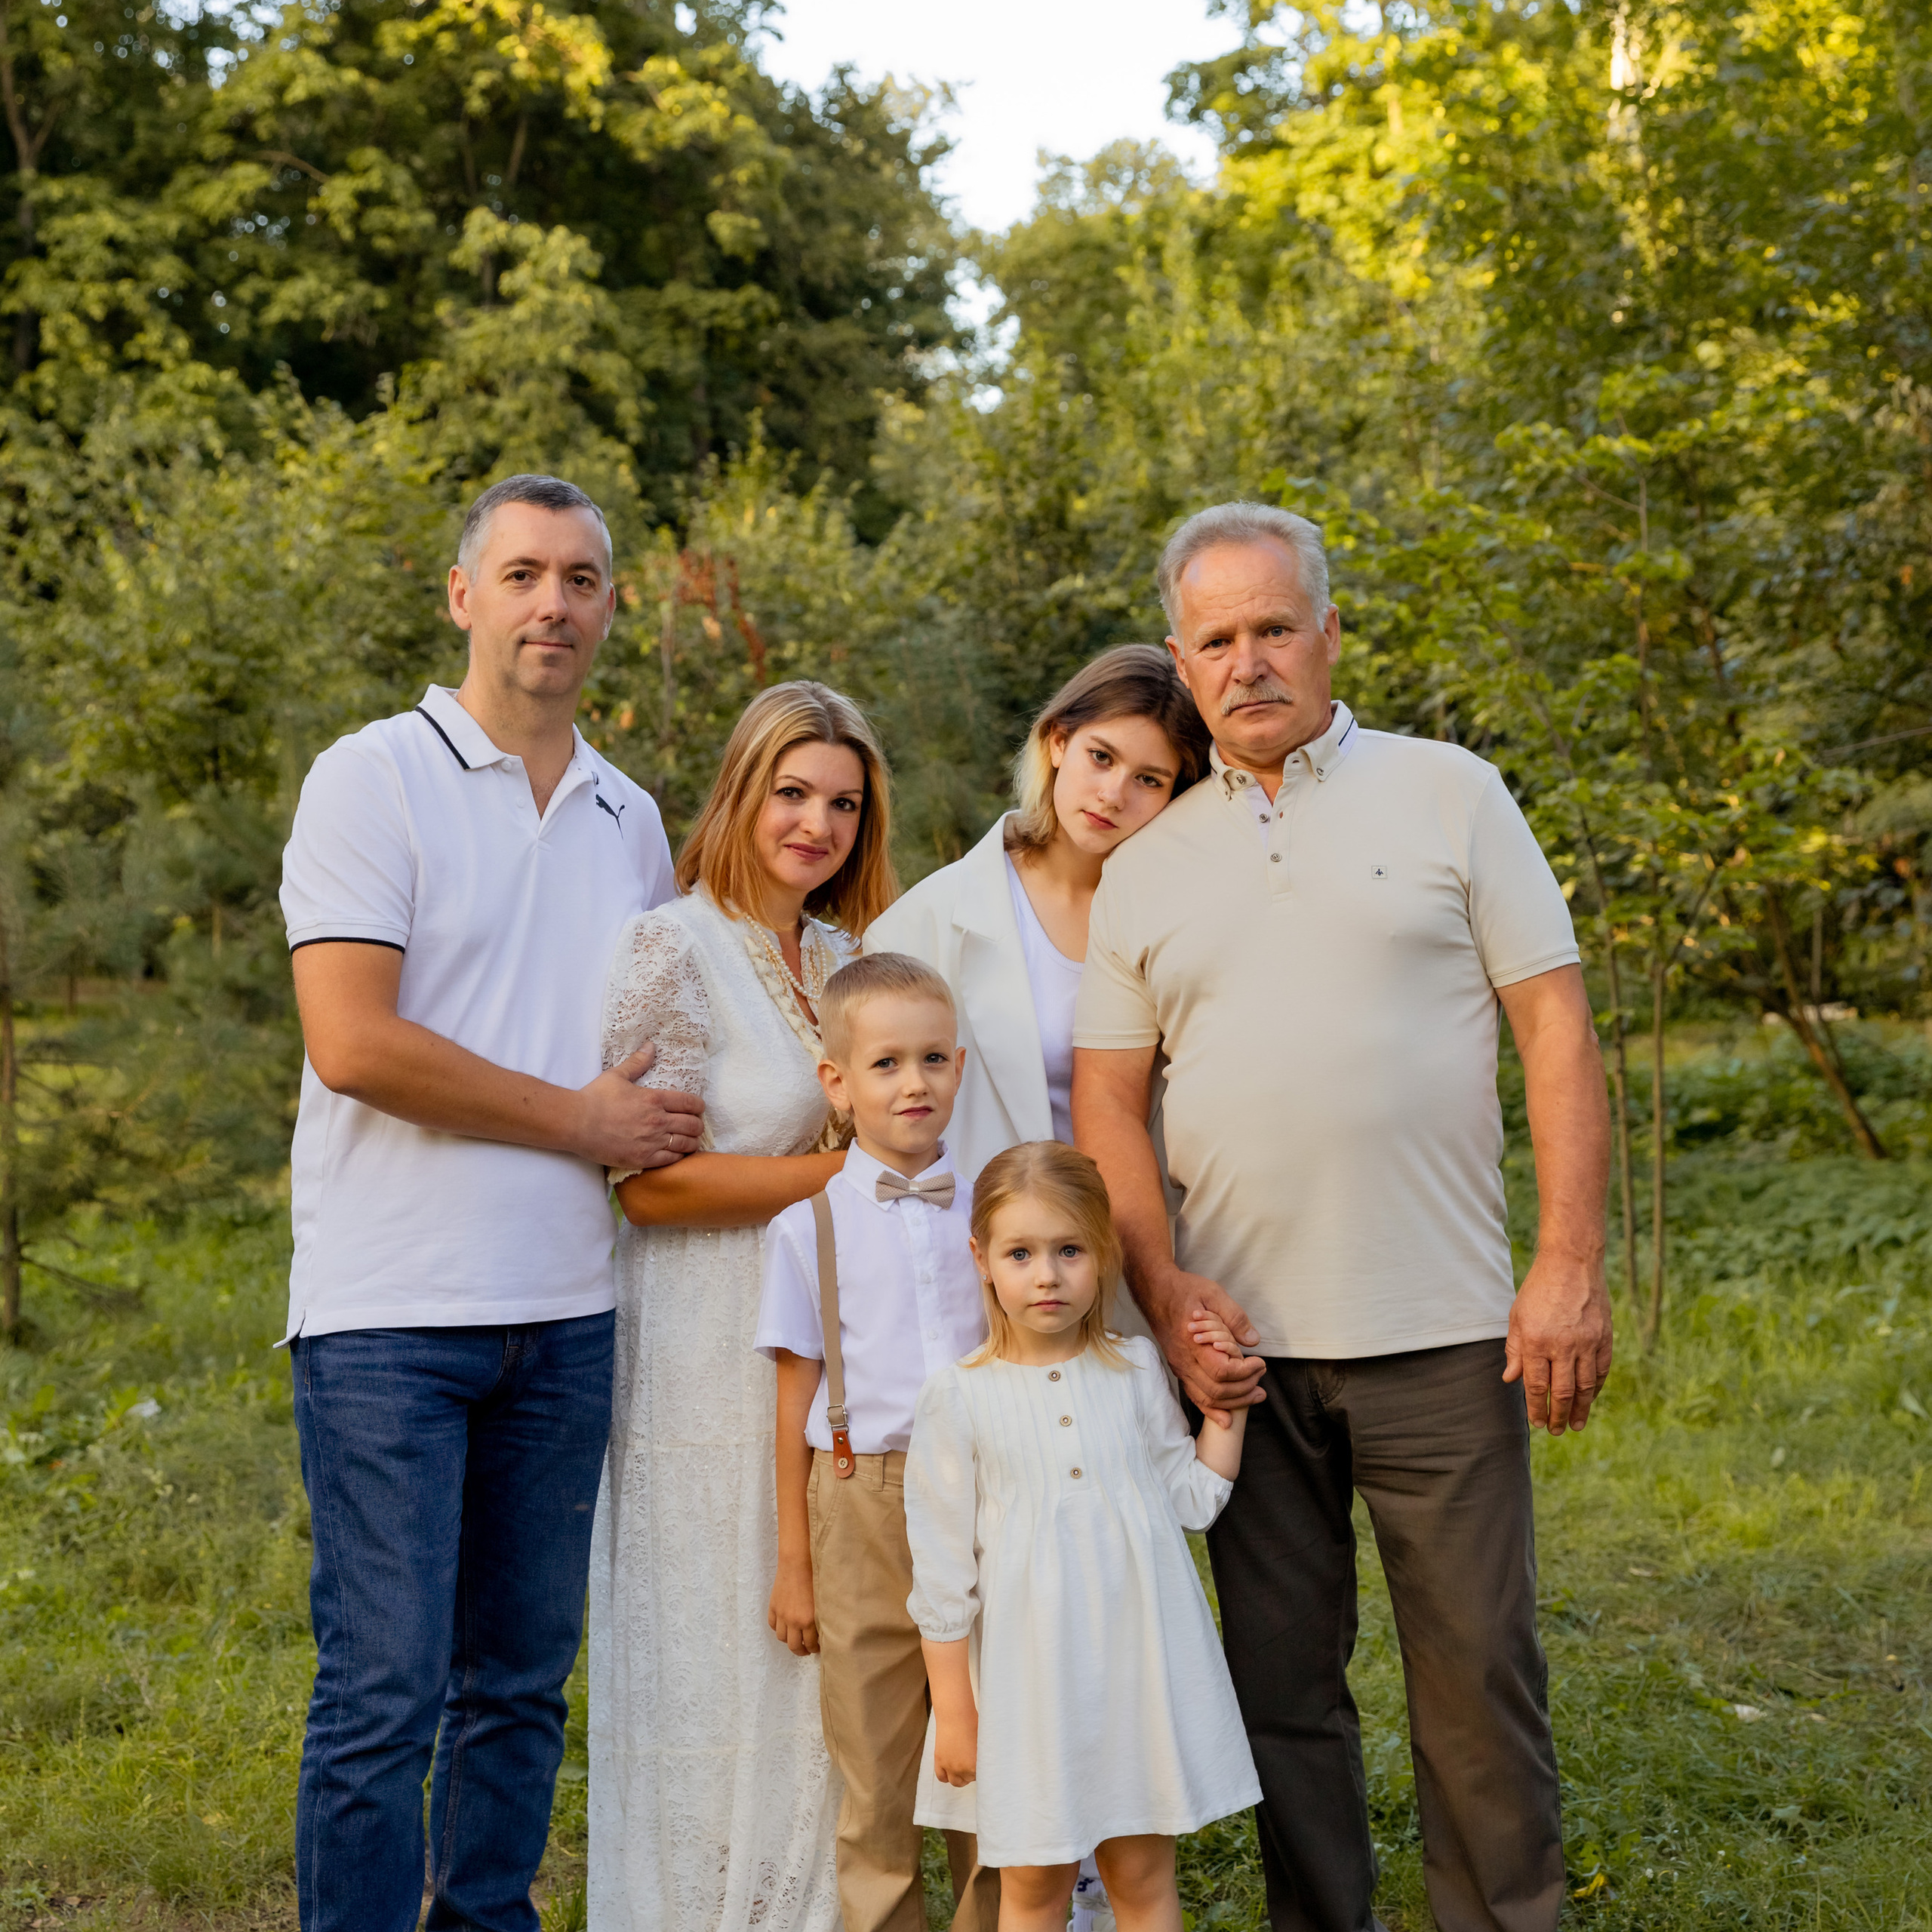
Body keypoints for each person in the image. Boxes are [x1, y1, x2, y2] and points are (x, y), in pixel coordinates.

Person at [1074, 501, 1615, 1932]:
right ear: (1182, 665)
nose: (1247, 662)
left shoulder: (1451, 793)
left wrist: (1565, 1264)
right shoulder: (1142, 869)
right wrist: (1168, 1296)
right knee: (1279, 1697)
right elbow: (1108, 1109)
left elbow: (1555, 1030)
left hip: (1444, 1333)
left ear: (1327, 633)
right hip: (1242, 1355)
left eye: (1271, 628)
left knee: (1480, 1683)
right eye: (1216, 639)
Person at [278, 474, 704, 1932]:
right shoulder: (370, 779)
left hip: (569, 1313)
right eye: (523, 574)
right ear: (465, 596)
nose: (554, 603)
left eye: (582, 579)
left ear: (607, 610)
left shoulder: (628, 818)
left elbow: (657, 1055)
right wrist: (579, 1119)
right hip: (392, 1315)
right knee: (385, 1693)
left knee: (519, 1689)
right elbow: (355, 1042)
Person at [587, 680, 899, 1932]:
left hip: (832, 1356)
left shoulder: (841, 959)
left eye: (842, 803)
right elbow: (643, 1189)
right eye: (793, 792)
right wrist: (846, 1172)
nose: (815, 823)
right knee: (718, 1661)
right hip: (702, 1350)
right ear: (742, 790)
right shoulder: (674, 944)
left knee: (821, 1671)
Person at [906, 1141, 1261, 1932]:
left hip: (1134, 1673)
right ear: (982, 1258)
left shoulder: (1133, 1369)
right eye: (1021, 1252)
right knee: (1034, 1883)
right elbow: (939, 1572)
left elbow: (1192, 1498)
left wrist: (1224, 1403)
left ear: (1101, 1256)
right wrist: (956, 1709)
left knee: (1140, 1875)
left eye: (1069, 1251)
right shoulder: (958, 1397)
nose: (1046, 1274)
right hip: (1025, 1691)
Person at [756, 952, 1001, 1932]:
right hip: (861, 1499)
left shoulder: (994, 1210)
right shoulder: (803, 1227)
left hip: (989, 1499)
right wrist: (794, 1564)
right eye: (889, 1063)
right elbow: (793, 1403)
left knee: (992, 1766)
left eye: (934, 1059)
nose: (915, 1083)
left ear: (961, 1067)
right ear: (839, 1081)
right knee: (876, 1777)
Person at [865, 645, 1211, 1182]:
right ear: (1057, 742)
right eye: (1101, 756)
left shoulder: (1192, 918)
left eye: (1149, 779)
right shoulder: (918, 927)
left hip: (1144, 1244)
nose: (1113, 795)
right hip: (987, 1245)